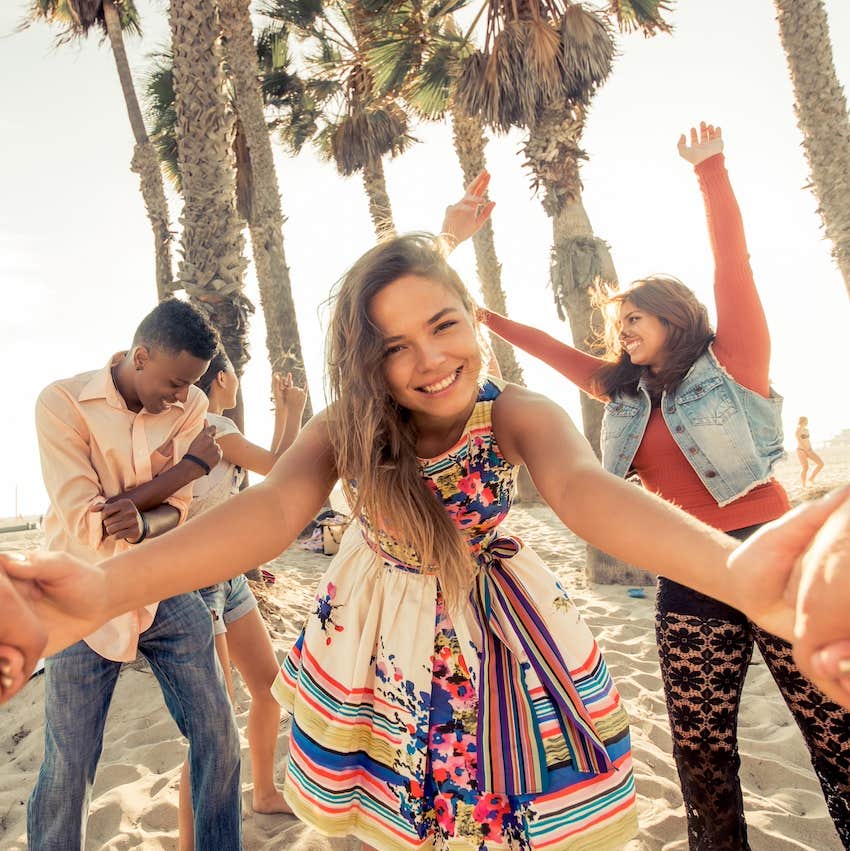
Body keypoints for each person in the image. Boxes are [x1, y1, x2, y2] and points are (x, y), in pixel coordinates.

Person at [3, 225, 847, 850]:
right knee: (402, 809)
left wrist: (738, 571)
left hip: (501, 631)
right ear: (366, 357)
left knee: (507, 801)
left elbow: (587, 493)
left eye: (445, 325)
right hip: (380, 638)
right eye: (395, 344)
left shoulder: (516, 411)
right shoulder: (346, 427)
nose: (430, 359)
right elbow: (266, 513)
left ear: (471, 320)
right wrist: (110, 587)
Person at [476, 124, 850, 848]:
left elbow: (731, 264)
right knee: (701, 749)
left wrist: (711, 169)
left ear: (673, 317)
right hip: (690, 568)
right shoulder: (620, 392)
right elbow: (553, 351)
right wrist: (479, 316)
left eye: (634, 319)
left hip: (778, 555)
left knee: (836, 734)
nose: (622, 334)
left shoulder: (736, 360)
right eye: (618, 326)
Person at [27, 298, 243, 851]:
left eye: (190, 385)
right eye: (173, 383)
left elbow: (180, 512)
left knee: (218, 733)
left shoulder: (190, 400)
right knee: (69, 763)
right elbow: (88, 521)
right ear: (140, 356)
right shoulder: (61, 403)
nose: (181, 396)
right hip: (79, 597)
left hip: (160, 586)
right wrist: (190, 465)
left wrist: (147, 520)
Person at [177, 350, 307, 848]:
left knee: (269, 684)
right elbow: (281, 470)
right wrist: (291, 413)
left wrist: (284, 416)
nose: (238, 385)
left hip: (228, 578)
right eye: (235, 376)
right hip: (198, 583)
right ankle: (191, 842)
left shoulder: (219, 429)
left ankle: (265, 793)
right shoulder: (214, 423)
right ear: (222, 380)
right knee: (214, 719)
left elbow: (271, 476)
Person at [796, 416, 825, 488]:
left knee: (821, 464)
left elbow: (807, 440)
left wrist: (810, 448)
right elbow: (800, 441)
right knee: (805, 467)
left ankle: (811, 478)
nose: (807, 422)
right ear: (802, 421)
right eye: (806, 421)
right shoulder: (798, 431)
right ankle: (803, 484)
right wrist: (806, 449)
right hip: (801, 451)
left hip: (809, 450)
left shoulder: (807, 430)